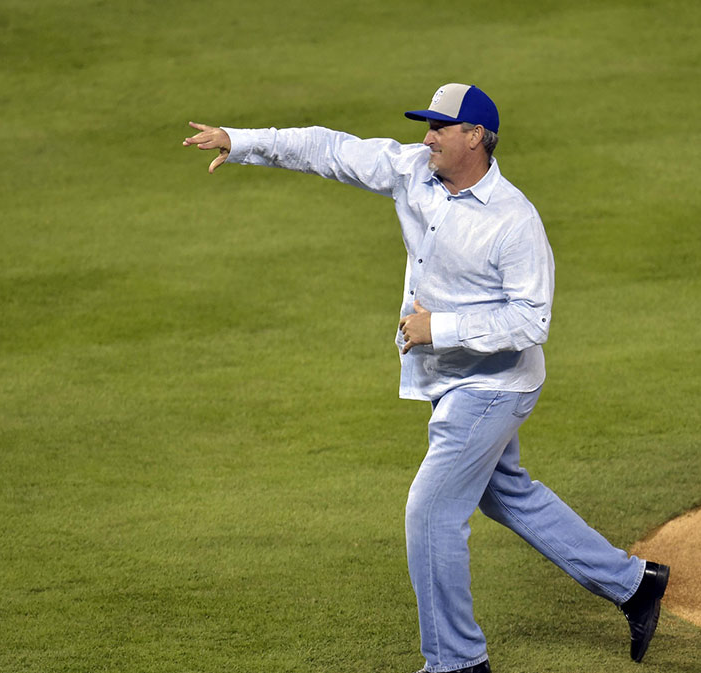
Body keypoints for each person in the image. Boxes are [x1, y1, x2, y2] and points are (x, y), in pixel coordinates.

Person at [182, 83, 670, 673]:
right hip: (453, 379)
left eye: (440, 127)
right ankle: (635, 584)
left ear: (476, 138)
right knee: (503, 493)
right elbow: (328, 148)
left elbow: (531, 319)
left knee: (431, 511)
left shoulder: (514, 222)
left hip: (495, 385)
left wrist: (441, 327)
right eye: (427, 124)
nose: (427, 135)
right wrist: (242, 141)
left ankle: (457, 663)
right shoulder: (413, 171)